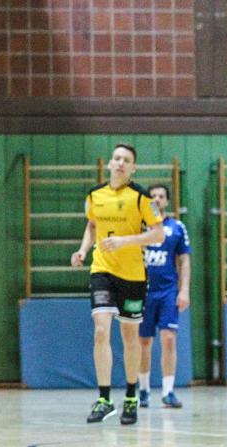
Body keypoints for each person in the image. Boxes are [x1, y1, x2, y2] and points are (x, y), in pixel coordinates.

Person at [71, 144, 164, 425]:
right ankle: (104, 398)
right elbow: (92, 225)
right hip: (102, 270)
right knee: (101, 330)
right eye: (117, 158)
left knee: (129, 336)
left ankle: (132, 395)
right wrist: (83, 250)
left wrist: (125, 241)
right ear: (109, 164)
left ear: (133, 168)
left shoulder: (141, 198)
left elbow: (158, 234)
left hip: (133, 275)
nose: (121, 163)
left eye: (127, 160)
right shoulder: (94, 196)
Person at [138, 184, 190, 409]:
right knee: (143, 341)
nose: (157, 199)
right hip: (142, 292)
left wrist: (184, 289)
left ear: (167, 201)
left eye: (161, 196)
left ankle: (168, 391)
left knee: (168, 338)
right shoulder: (139, 227)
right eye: (153, 196)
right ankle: (143, 389)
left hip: (168, 291)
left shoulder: (177, 227)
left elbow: (184, 260)